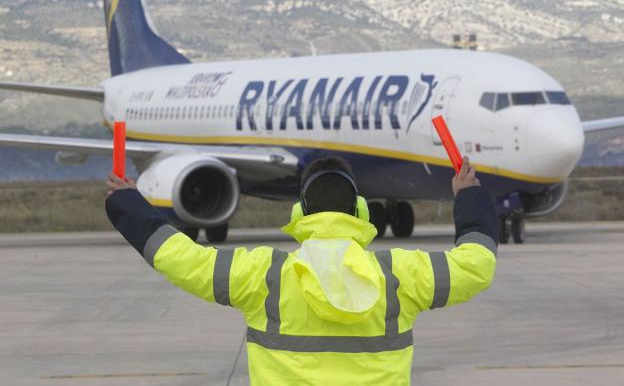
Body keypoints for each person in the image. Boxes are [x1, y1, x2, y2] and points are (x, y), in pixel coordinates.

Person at [105, 156, 497, 385]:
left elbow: (181, 258)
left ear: (301, 212)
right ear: (359, 212)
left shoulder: (264, 274)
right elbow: (476, 264)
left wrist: (128, 206)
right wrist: (470, 198)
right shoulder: (399, 274)